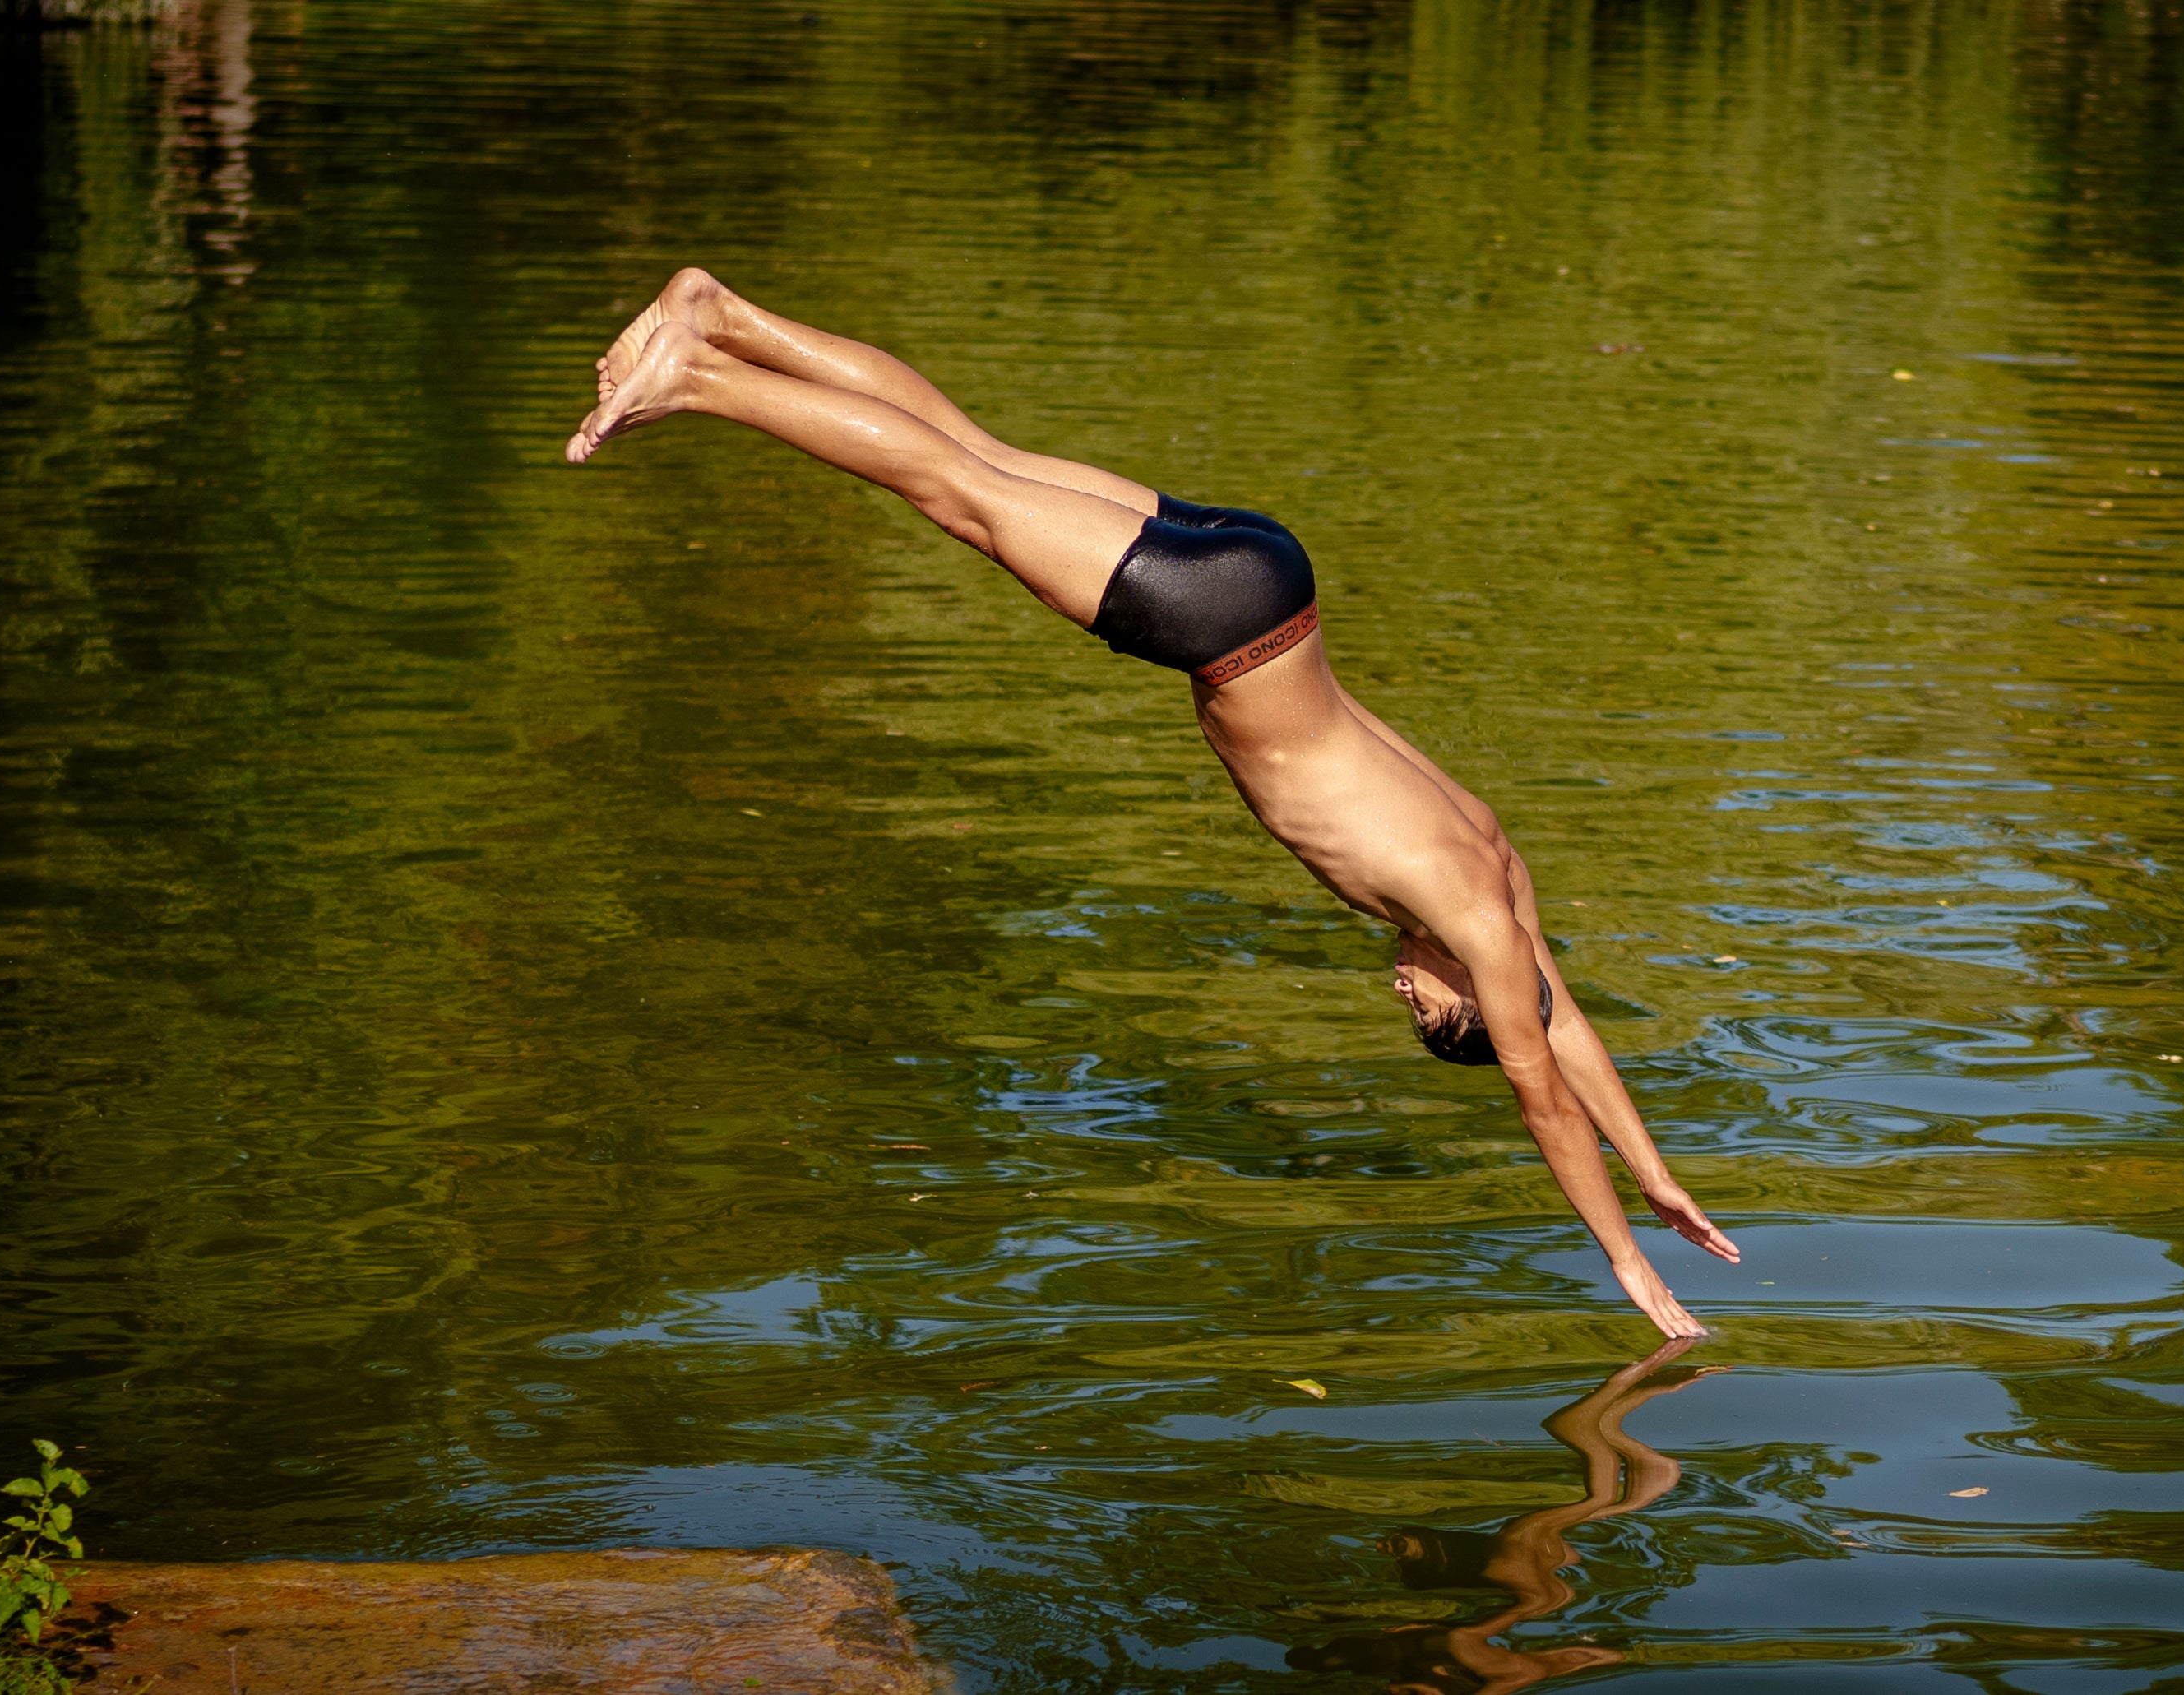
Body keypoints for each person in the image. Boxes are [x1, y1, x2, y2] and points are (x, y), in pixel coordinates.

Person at [566, 271, 1740, 1337]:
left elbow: (1566, 1023)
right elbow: (1544, 1082)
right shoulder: (1474, 927)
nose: (1402, 990)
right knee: (959, 492)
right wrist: (1631, 1261)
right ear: (1472, 996)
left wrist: (1660, 1172)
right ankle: (707, 379)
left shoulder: (1501, 880)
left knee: (982, 453)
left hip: (1270, 574)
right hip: (1215, 625)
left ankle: (720, 318)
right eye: (1427, 1012)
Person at [1287, 1337, 1719, 1694]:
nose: (1399, 1691)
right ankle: (1641, 1385)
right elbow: (1550, 1661)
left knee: (1599, 1499)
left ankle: (1640, 1391)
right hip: (1525, 1584)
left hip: (1524, 1581)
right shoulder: (1469, 1667)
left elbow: (1558, 1658)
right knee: (1594, 1492)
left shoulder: (1425, 1662)